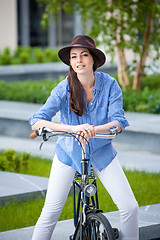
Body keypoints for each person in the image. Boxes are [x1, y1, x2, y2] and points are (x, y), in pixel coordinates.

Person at [29, 35, 139, 240]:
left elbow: (118, 121)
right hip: (69, 153)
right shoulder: (64, 88)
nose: (79, 60)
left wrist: (94, 130)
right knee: (51, 212)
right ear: (70, 62)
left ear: (93, 60)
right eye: (73, 57)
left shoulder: (110, 84)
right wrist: (73, 129)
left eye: (84, 55)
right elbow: (37, 120)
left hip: (101, 151)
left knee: (130, 208)